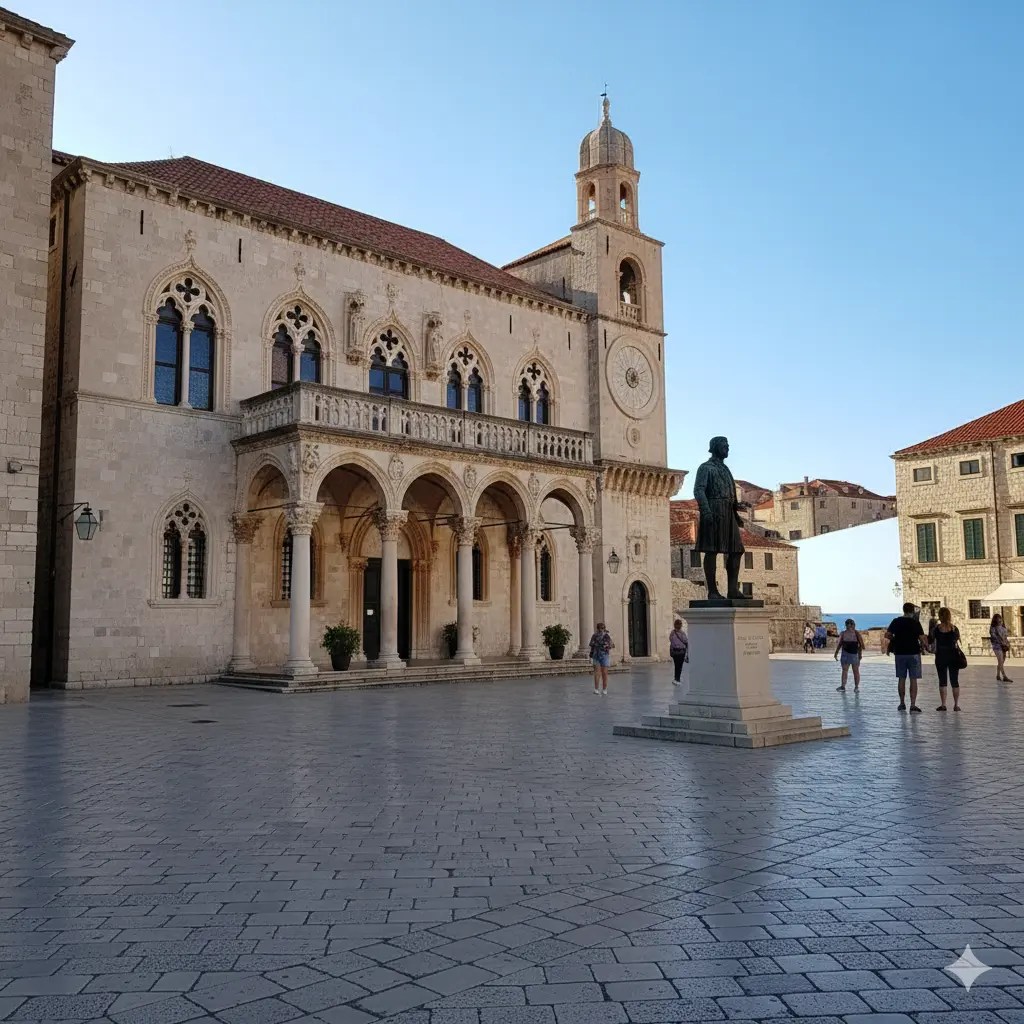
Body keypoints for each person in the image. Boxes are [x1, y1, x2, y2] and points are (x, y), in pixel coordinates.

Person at [885, 602, 927, 712]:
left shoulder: (896, 621)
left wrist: (895, 639)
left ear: (904, 610)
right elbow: (923, 638)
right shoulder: (915, 623)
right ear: (912, 611)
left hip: (900, 653)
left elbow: (887, 634)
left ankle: (902, 703)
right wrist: (925, 645)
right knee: (913, 679)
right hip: (913, 653)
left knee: (901, 679)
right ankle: (913, 705)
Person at [933, 607, 962, 711]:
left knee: (942, 681)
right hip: (953, 656)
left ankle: (943, 704)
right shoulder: (954, 628)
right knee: (955, 681)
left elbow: (933, 640)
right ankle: (956, 705)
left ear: (940, 616)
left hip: (941, 656)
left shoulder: (937, 629)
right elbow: (956, 640)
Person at [834, 618, 864, 692]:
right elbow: (862, 645)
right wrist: (860, 654)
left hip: (849, 654)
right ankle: (853, 687)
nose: (852, 626)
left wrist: (836, 653)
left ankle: (847, 687)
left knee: (849, 671)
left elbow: (840, 644)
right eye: (852, 625)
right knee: (852, 671)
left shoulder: (846, 633)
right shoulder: (854, 633)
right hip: (851, 654)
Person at [589, 622, 614, 695]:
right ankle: (597, 689)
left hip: (604, 655)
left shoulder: (606, 636)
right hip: (597, 655)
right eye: (600, 628)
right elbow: (592, 646)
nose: (601, 630)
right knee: (598, 673)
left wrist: (606, 646)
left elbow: (611, 645)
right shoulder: (595, 636)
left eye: (602, 628)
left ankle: (604, 689)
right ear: (598, 628)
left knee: (604, 673)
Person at [990, 613, 1012, 682]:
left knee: (1001, 662)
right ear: (995, 620)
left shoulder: (1003, 627)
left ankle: (998, 675)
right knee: (1000, 660)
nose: (1000, 620)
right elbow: (994, 637)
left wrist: (1007, 644)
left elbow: (1006, 637)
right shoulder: (993, 628)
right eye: (998, 619)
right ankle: (1004, 676)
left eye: (1000, 619)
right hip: (997, 646)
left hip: (1004, 646)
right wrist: (1001, 642)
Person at [669, 619, 689, 685]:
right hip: (681, 652)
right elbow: (686, 641)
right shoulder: (682, 633)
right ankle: (678, 679)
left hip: (674, 651)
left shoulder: (672, 633)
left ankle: (676, 678)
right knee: (680, 666)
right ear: (680, 625)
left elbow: (670, 640)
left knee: (676, 665)